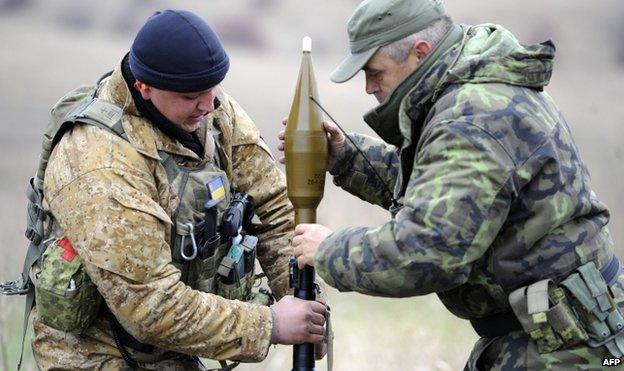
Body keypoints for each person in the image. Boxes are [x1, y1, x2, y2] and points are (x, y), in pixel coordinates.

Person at [279, 0, 624, 369]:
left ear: (420, 52)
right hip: (552, 333)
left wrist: (330, 248)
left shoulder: (470, 118)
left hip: (562, 349)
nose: (368, 87)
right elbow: (445, 191)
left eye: (375, 72)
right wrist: (347, 158)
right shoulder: (472, 87)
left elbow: (428, 250)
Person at [30, 9, 326, 370]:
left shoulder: (210, 113)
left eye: (212, 88)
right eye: (192, 96)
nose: (210, 104)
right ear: (145, 88)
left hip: (175, 349)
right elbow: (151, 306)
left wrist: (301, 297)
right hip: (97, 357)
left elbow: (274, 209)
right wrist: (272, 325)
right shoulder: (97, 162)